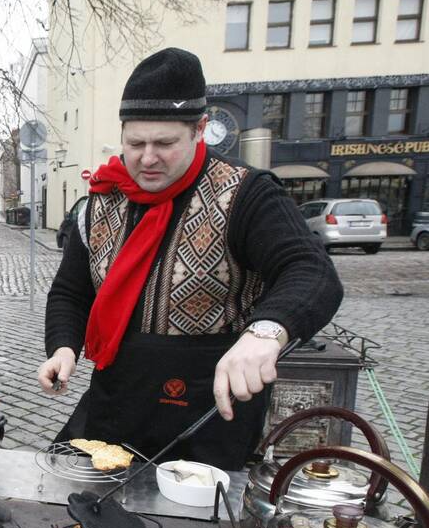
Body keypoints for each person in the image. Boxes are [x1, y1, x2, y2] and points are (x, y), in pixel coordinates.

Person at [37, 48, 342, 471]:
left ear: (199, 129)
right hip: (117, 399)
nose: (147, 158)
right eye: (135, 143)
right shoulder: (101, 202)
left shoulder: (246, 195)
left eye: (164, 143)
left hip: (206, 414)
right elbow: (71, 291)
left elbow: (311, 271)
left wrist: (267, 332)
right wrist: (64, 347)